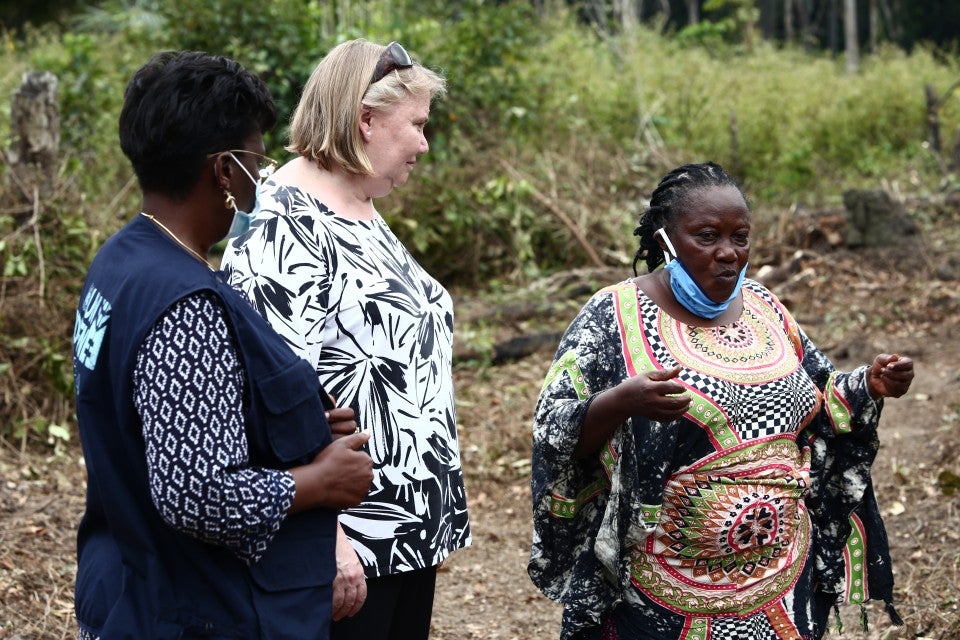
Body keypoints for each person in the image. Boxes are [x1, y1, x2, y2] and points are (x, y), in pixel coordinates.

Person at [528, 162, 914, 640]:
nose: (728, 253)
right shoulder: (613, 316)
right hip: (660, 599)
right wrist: (624, 401)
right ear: (664, 241)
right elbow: (556, 433)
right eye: (707, 236)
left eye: (741, 237)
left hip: (779, 589)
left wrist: (869, 385)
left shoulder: (765, 308)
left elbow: (821, 399)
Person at [71, 51, 374, 640]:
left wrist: (282, 424)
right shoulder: (184, 305)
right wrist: (316, 483)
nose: (260, 178)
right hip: (191, 609)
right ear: (223, 171)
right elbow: (195, 493)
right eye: (256, 160)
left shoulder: (119, 262)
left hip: (128, 579)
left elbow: (152, 417)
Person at [221, 39, 471, 639]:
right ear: (365, 120)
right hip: (347, 545)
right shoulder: (286, 221)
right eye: (415, 125)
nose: (423, 143)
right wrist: (331, 543)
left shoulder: (359, 202)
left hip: (407, 534)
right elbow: (273, 395)